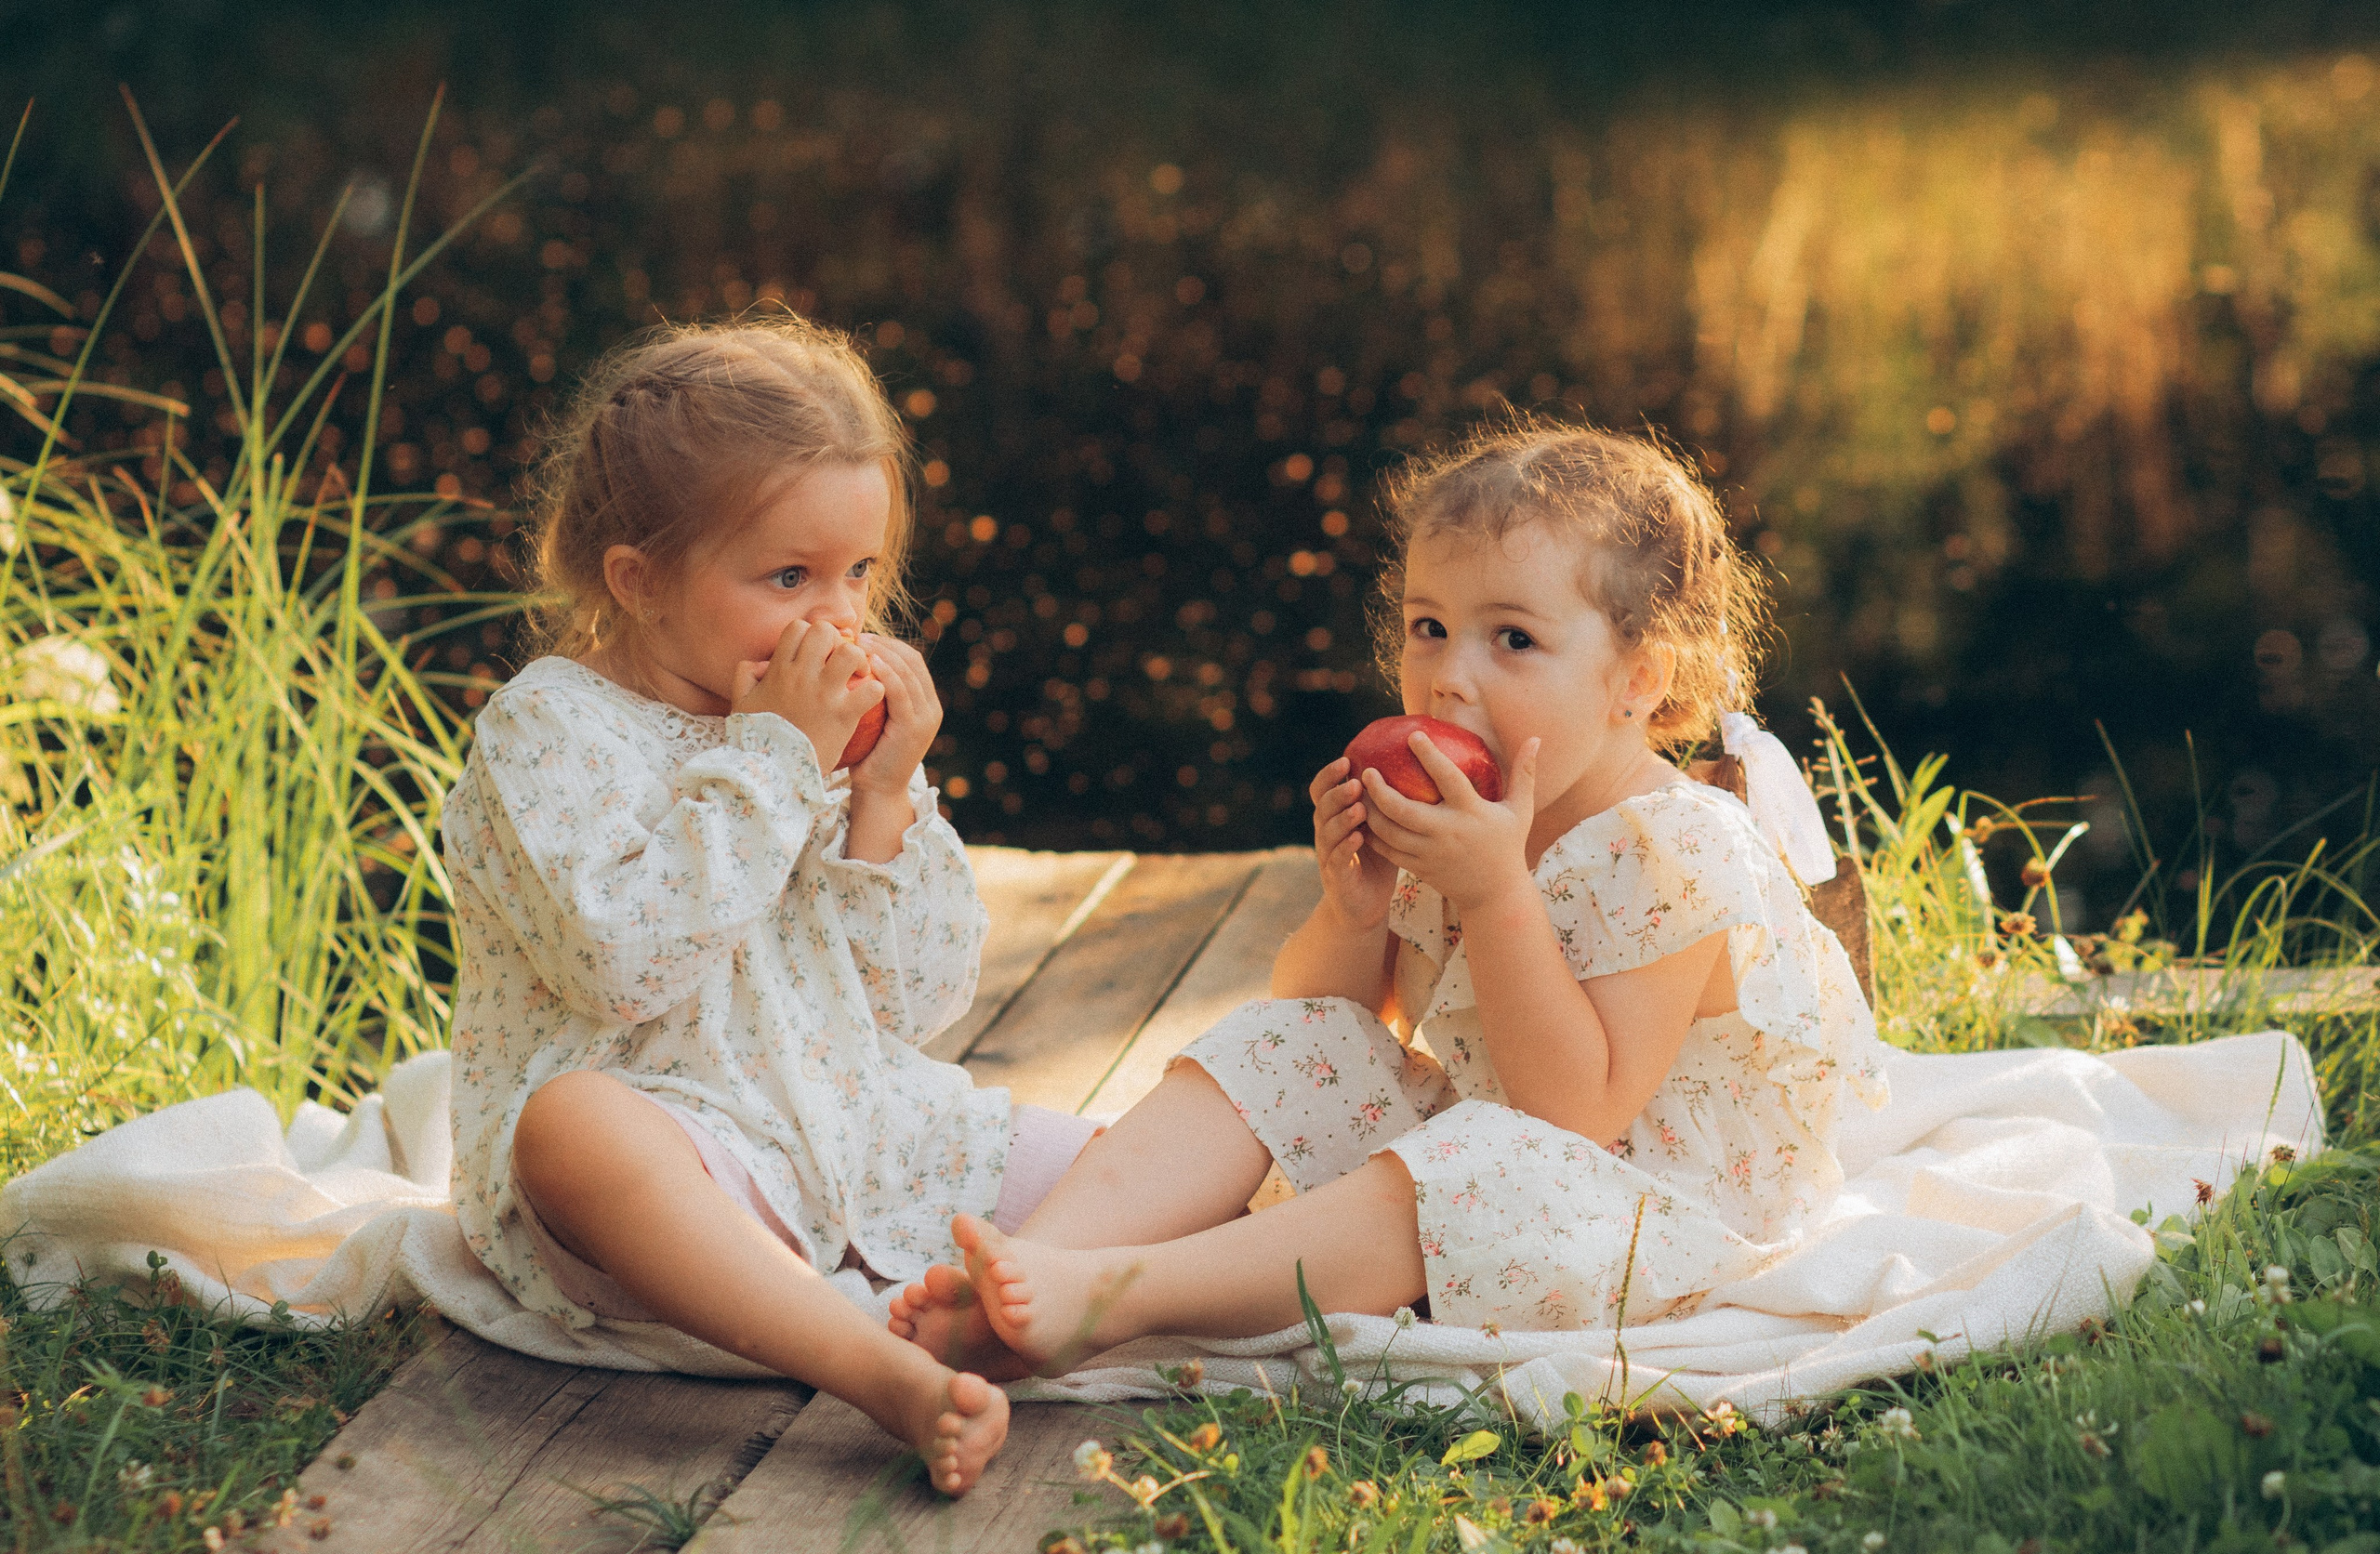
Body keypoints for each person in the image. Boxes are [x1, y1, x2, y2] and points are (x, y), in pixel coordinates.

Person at [889, 420, 1888, 1377]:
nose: (1449, 678)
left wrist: (1495, 894)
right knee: (1275, 1041)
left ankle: (1122, 1295)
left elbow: (1571, 1112)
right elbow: (1321, 1019)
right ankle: (1037, 1274)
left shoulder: (1672, 847)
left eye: (1512, 640)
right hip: (1489, 1156)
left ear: (1636, 677)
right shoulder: (1464, 805)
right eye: (1429, 628)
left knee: (1488, 1157)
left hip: (1655, 1210)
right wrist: (1351, 912)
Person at [441, 317, 1093, 1493]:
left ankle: (992, 1310)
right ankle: (875, 1367)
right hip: (682, 1172)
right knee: (572, 1129)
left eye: (858, 576)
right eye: (788, 578)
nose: (835, 619)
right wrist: (776, 761)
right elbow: (621, 967)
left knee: (1141, 1163)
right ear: (636, 582)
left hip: (858, 1140)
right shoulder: (549, 729)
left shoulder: (822, 729)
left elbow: (922, 1004)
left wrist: (885, 794)